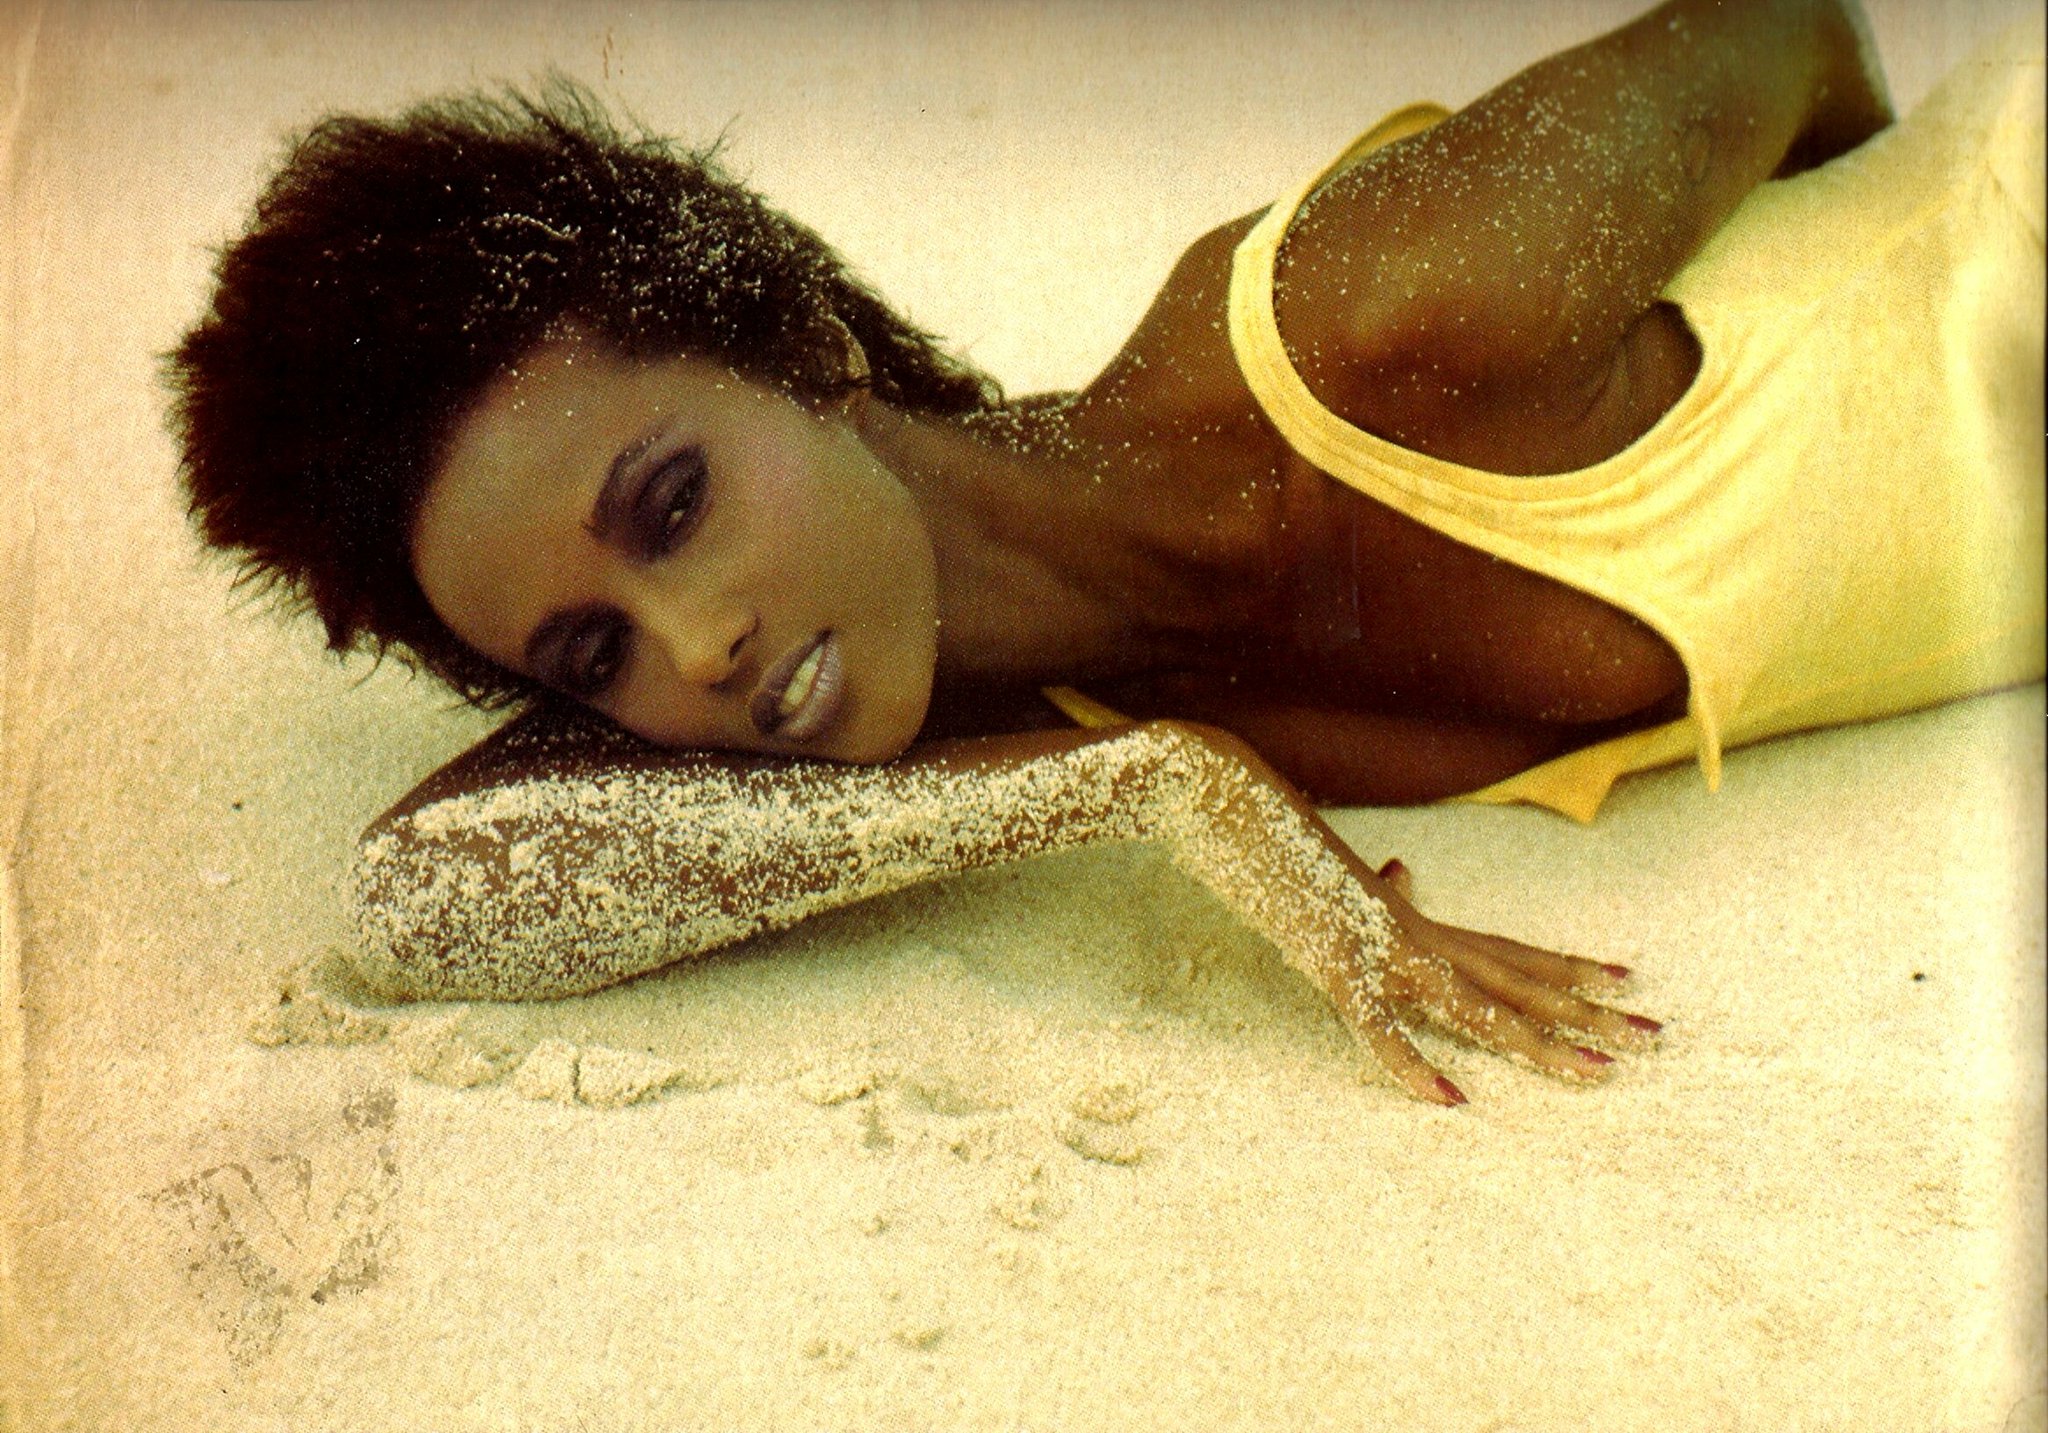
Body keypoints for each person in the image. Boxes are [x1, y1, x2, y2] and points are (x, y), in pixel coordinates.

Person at [166, 0, 2043, 1104]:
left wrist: (1861, 301)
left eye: (670, 506)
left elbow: (1794, 32)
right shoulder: (1034, 716)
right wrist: (1145, 781)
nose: (697, 647)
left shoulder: (1376, 316)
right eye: (594, 655)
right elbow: (423, 898)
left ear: (806, 348)